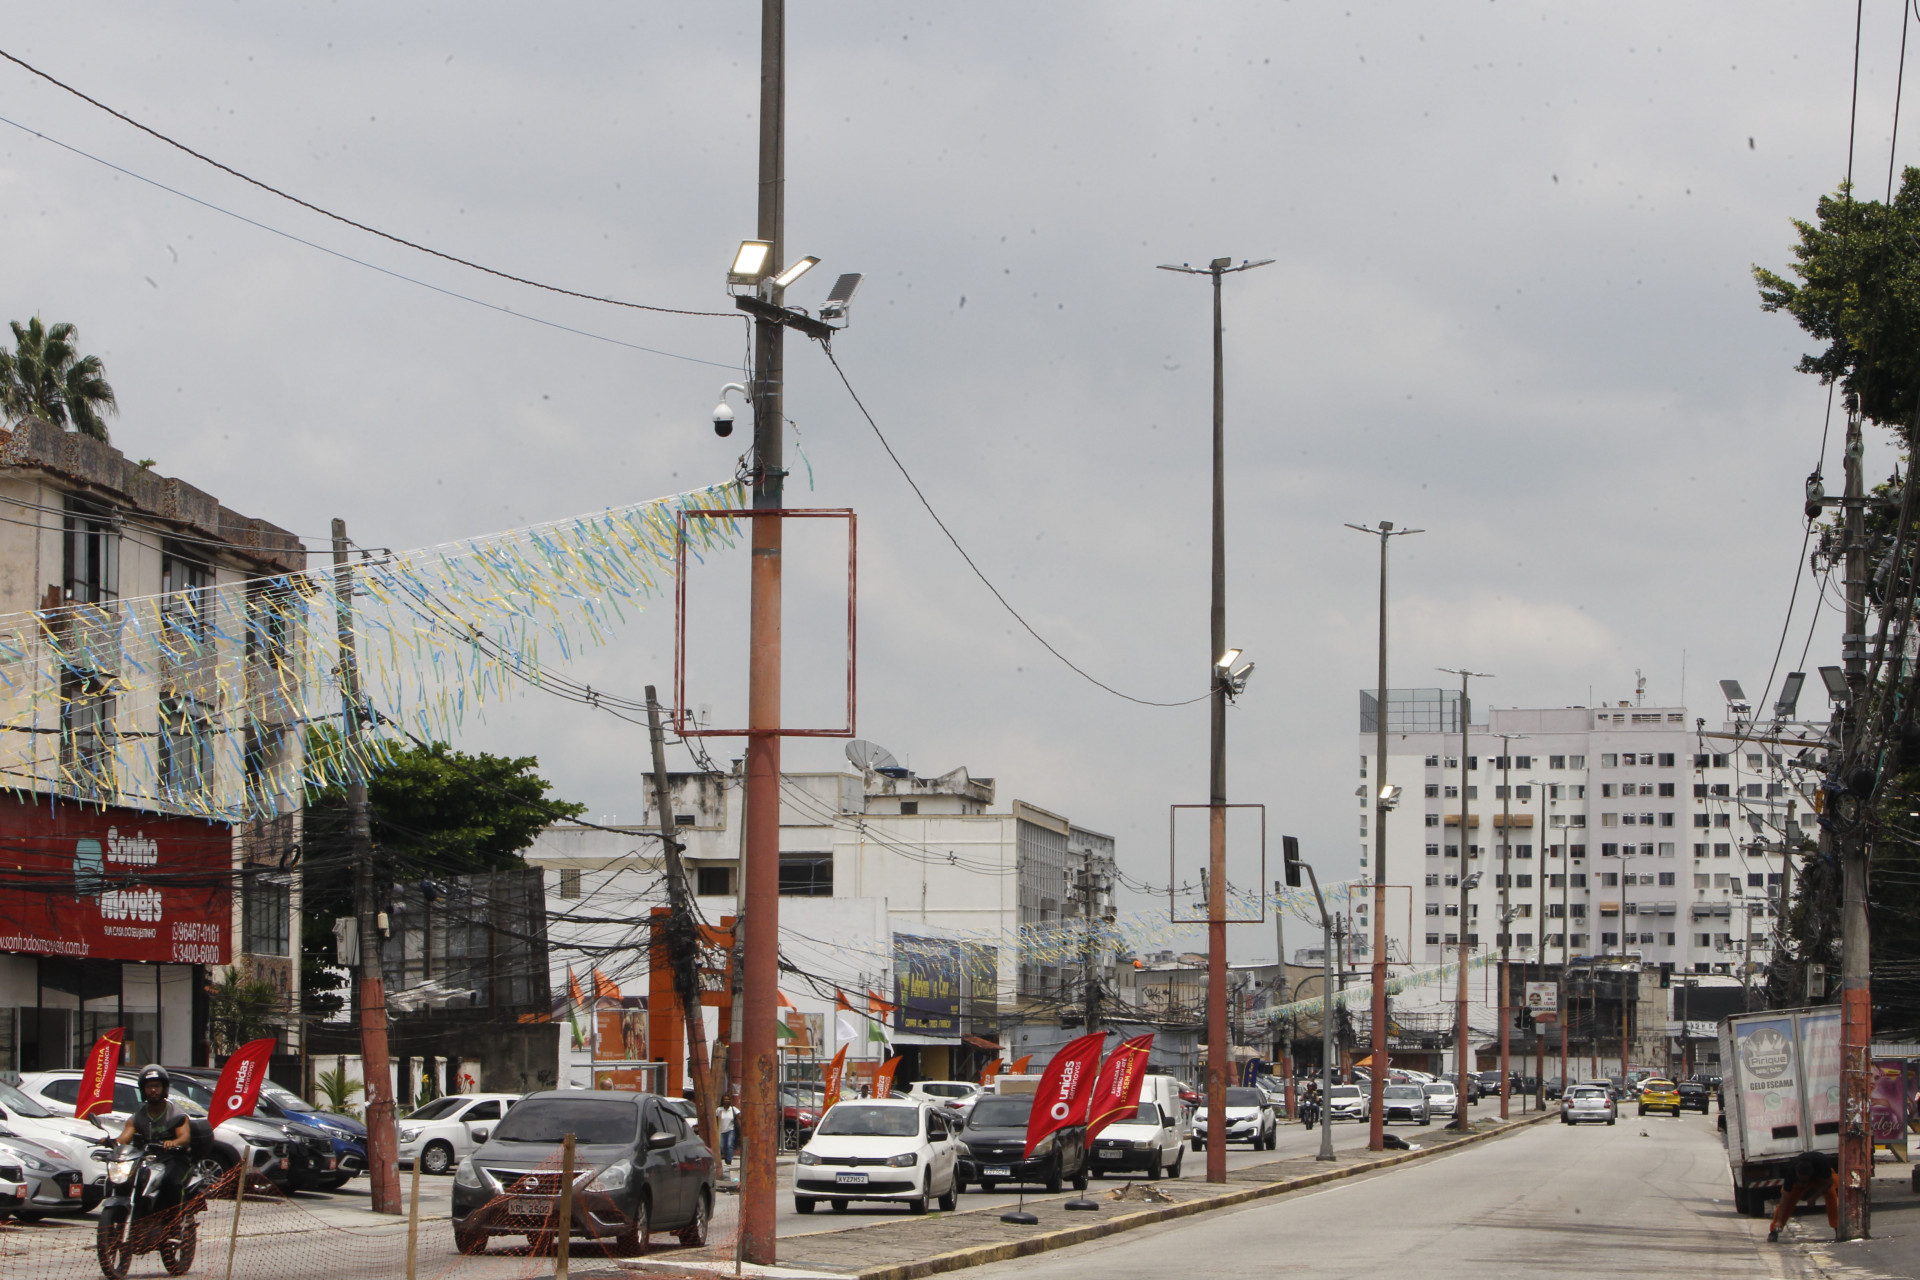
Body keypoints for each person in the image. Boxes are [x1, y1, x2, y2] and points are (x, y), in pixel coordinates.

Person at [117, 1065, 192, 1211]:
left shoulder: (176, 1115)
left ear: (164, 1088)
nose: (153, 1090)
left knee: (171, 1182)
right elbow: (125, 1137)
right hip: (146, 1159)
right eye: (149, 1086)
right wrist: (113, 1143)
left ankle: (178, 1218)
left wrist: (173, 1142)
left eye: (157, 1086)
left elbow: (184, 1138)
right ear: (143, 1090)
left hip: (174, 1158)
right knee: (128, 1180)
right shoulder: (137, 1117)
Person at [1769, 1155, 1839, 1243]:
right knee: (1789, 1203)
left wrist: (1814, 1197)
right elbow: (1784, 1201)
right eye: (1801, 1180)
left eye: (1805, 1181)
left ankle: (1837, 1227)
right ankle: (1774, 1231)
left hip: (1822, 1182)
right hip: (1796, 1184)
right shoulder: (1791, 1174)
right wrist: (1779, 1221)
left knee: (1831, 1194)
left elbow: (1828, 1183)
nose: (1804, 1185)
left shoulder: (1822, 1165)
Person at [717, 1095, 739, 1166]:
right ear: (722, 1101)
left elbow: (740, 1116)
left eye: (728, 1099)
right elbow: (715, 1119)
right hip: (722, 1130)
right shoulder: (719, 1109)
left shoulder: (733, 1109)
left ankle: (729, 1160)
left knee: (729, 1145)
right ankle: (726, 1157)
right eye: (725, 1099)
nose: (726, 1101)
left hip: (731, 1130)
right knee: (723, 1146)